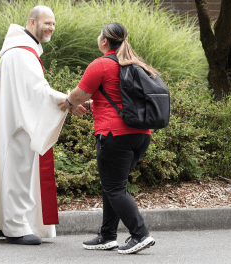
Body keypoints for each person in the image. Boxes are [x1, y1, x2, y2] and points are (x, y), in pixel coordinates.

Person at [0, 6, 86, 245]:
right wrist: (67, 101)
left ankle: (1, 222)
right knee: (18, 171)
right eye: (47, 23)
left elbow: (32, 92)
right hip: (19, 127)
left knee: (11, 170)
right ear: (32, 22)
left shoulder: (17, 51)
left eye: (53, 24)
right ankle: (16, 227)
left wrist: (66, 101)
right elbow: (38, 93)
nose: (51, 28)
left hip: (12, 121)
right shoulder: (22, 54)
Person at [58, 23, 156, 254]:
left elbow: (78, 94)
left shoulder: (101, 64)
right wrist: (92, 105)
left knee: (114, 187)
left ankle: (140, 234)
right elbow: (119, 97)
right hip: (141, 135)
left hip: (115, 135)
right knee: (112, 185)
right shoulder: (135, 63)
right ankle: (107, 235)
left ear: (104, 42)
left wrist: (67, 104)